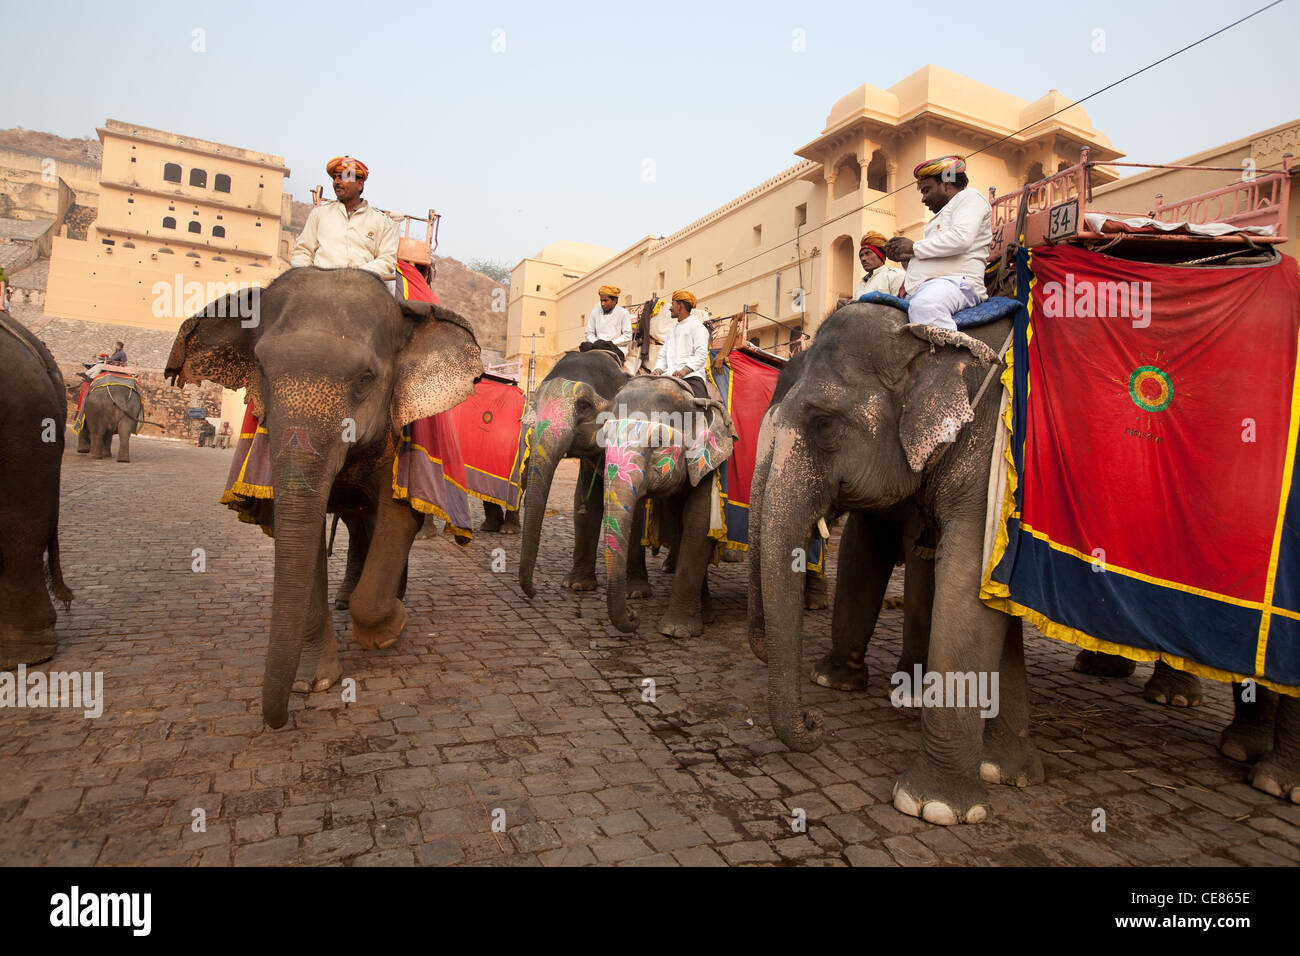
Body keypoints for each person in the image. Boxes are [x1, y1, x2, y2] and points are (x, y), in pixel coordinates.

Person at [885, 156, 992, 331]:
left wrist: (913, 248)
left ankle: (957, 358)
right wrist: (905, 257)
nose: (923, 199)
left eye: (926, 190)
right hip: (929, 287)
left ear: (946, 183)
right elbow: (935, 256)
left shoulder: (970, 197)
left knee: (925, 307)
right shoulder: (941, 216)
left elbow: (961, 239)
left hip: (958, 283)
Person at [290, 156, 398, 282]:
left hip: (362, 288)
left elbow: (387, 260)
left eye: (343, 176)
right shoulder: (319, 214)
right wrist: (310, 277)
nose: (337, 181)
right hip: (321, 287)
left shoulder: (380, 221)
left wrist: (358, 275)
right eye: (334, 177)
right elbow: (302, 251)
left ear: (360, 184)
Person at [651, 290, 710, 399]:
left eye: (672, 304)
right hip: (669, 377)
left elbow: (701, 355)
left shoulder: (698, 327)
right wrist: (658, 370)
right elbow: (663, 355)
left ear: (680, 305)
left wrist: (684, 371)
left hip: (691, 377)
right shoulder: (671, 331)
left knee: (700, 409)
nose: (670, 308)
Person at [581, 284, 632, 362]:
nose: (602, 304)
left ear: (614, 301)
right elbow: (589, 333)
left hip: (615, 347)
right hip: (596, 345)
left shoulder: (623, 313)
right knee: (583, 346)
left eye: (605, 301)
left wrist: (609, 343)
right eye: (601, 301)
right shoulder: (595, 312)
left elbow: (627, 336)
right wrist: (596, 343)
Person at [854, 232, 905, 299]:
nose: (863, 259)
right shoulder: (861, 284)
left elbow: (900, 305)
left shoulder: (896, 275)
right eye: (861, 255)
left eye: (867, 253)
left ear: (880, 255)